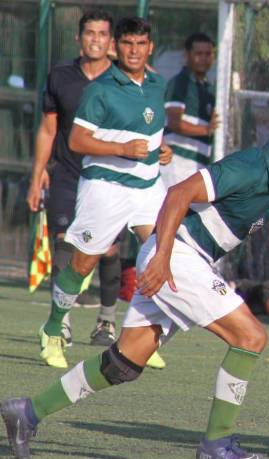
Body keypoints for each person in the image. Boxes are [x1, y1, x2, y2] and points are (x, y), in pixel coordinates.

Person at [1, 101, 269, 459]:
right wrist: (161, 257)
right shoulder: (247, 167)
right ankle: (216, 443)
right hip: (176, 254)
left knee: (124, 364)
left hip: (182, 258)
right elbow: (178, 194)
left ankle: (27, 412)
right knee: (251, 337)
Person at [36, 17, 171, 369]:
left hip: (147, 189)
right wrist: (124, 150)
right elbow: (78, 141)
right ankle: (52, 329)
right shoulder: (101, 89)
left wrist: (163, 149)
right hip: (105, 188)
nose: (134, 50)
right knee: (82, 264)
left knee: (160, 258)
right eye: (127, 44)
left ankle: (144, 338)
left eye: (141, 44)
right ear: (117, 47)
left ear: (150, 47)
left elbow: (152, 129)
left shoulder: (157, 84)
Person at [25, 11, 125, 355]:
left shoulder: (124, 80)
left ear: (111, 42)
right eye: (89, 33)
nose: (95, 39)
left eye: (102, 34)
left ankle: (106, 319)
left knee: (108, 250)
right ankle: (61, 321)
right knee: (64, 245)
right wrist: (37, 175)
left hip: (109, 179)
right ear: (78, 38)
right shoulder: (61, 77)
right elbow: (48, 129)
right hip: (67, 174)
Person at [162, 32, 217, 188]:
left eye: (208, 54)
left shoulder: (210, 89)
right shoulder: (180, 83)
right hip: (177, 165)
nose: (203, 58)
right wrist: (207, 129)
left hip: (199, 166)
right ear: (187, 55)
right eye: (198, 53)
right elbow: (175, 123)